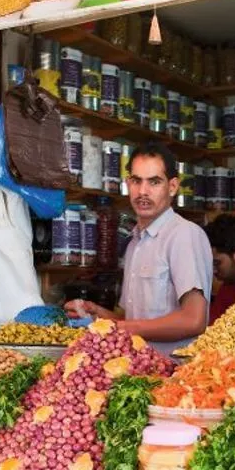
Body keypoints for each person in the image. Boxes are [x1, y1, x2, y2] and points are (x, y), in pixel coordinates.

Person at [65, 142, 212, 352]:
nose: (143, 191)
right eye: (136, 181)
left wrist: (122, 327)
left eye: (154, 182)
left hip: (174, 374)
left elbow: (193, 320)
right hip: (137, 371)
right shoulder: (135, 242)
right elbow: (135, 321)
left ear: (172, 187)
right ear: (128, 184)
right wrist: (97, 314)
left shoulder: (183, 235)